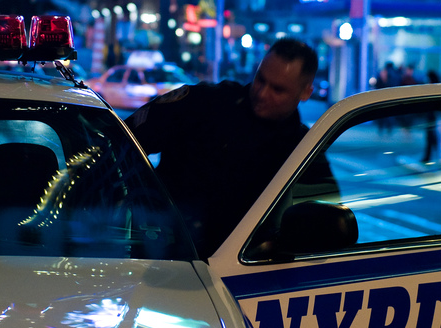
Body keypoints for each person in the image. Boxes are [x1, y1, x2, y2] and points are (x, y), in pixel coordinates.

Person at [126, 38, 319, 258]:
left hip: (245, 274)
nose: (262, 93)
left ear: (305, 92)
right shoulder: (205, 104)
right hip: (164, 255)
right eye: (260, 80)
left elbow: (322, 218)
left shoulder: (304, 148)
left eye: (278, 89)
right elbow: (124, 141)